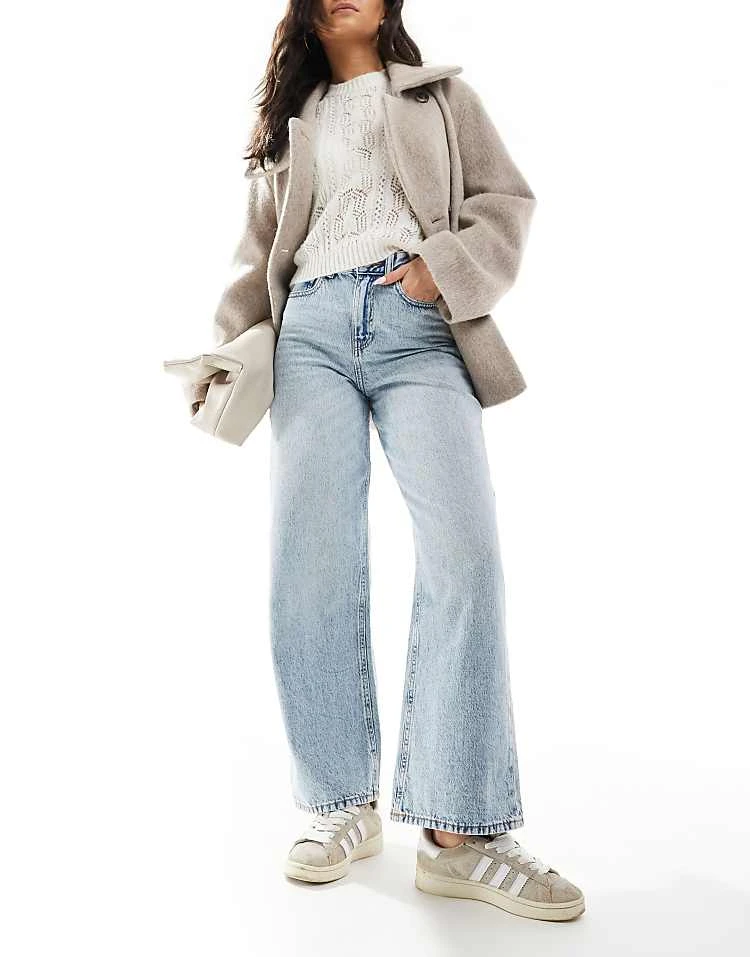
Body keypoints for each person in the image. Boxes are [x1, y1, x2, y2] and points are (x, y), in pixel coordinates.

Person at [190, 0, 585, 921]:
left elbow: (506, 202)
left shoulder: (442, 98)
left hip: (421, 329)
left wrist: (442, 268)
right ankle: (340, 803)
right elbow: (257, 258)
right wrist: (225, 347)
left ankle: (459, 831)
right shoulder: (289, 127)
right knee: (311, 565)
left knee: (465, 558)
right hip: (311, 335)